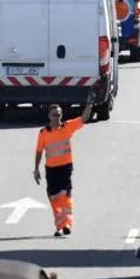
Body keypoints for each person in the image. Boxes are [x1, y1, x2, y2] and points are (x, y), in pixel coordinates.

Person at [34, 98, 94, 237]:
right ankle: (61, 224)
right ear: (49, 116)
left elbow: (83, 118)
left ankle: (64, 225)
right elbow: (39, 151)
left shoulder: (67, 127)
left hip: (65, 167)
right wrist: (36, 168)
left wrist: (89, 105)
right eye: (55, 114)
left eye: (59, 114)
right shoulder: (43, 133)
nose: (57, 117)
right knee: (54, 198)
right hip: (51, 169)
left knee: (64, 196)